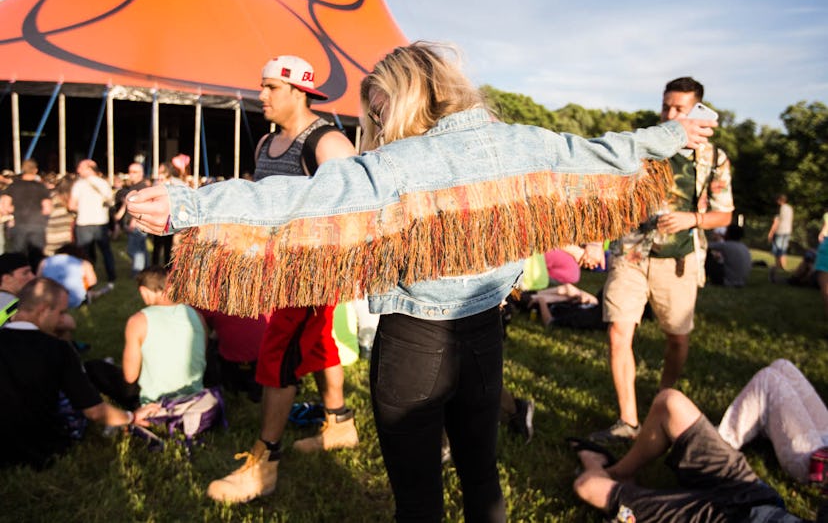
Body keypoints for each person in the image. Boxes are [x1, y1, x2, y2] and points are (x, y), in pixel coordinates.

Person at [127, 41, 716, 521]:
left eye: (379, 109)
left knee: (418, 498)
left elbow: (299, 199)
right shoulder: (524, 142)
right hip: (486, 336)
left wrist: (190, 206)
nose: (378, 123)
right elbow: (603, 155)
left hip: (414, 345)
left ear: (408, 96)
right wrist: (673, 133)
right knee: (482, 476)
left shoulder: (396, 165)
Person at [202, 55, 359, 504]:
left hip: (310, 272)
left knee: (278, 355)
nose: (261, 95)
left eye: (270, 87)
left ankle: (264, 462)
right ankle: (340, 423)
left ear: (298, 90)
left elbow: (353, 212)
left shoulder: (328, 143)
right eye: (262, 85)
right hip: (279, 269)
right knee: (321, 343)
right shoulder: (266, 144)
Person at [594, 76, 733, 442]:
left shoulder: (714, 159)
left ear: (697, 111)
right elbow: (610, 198)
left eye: (679, 109)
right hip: (631, 252)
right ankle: (628, 421)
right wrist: (596, 239)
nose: (670, 114)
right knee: (618, 331)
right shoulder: (642, 146)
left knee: (678, 340)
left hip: (678, 260)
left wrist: (693, 219)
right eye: (666, 106)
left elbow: (725, 215)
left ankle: (661, 401)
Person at [570, 388, 805, 523]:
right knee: (670, 402)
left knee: (588, 486)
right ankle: (620, 472)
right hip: (756, 495)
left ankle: (595, 461)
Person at [0, 277, 158, 469]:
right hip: (43, 449)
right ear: (42, 310)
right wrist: (130, 417)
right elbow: (94, 411)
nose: (62, 320)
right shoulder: (58, 349)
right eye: (61, 313)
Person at [84, 266, 207, 410]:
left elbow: (130, 376)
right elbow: (201, 353)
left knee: (94, 367)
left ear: (143, 291)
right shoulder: (196, 315)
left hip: (155, 402)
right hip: (194, 394)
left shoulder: (138, 321)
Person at [718, 359, 828, 485]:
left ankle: (713, 447)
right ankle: (765, 423)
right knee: (782, 366)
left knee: (767, 381)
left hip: (820, 463)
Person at [69, 159, 116, 287]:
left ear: (90, 168)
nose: (78, 170)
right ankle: (111, 276)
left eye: (80, 167)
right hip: (101, 222)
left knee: (85, 253)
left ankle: (89, 278)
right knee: (106, 251)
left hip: (84, 223)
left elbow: (71, 205)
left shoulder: (79, 184)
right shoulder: (104, 183)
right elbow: (110, 202)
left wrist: (83, 208)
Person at [0, 158, 52, 266]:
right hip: (37, 224)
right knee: (37, 256)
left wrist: (13, 211)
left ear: (23, 170)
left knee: (18, 257)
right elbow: (47, 208)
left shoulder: (13, 186)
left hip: (19, 224)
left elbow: (4, 206)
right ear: (35, 170)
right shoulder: (41, 187)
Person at [114, 163, 152, 277]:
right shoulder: (133, 187)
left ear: (141, 173)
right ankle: (146, 269)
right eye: (130, 171)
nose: (131, 174)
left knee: (134, 250)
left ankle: (138, 272)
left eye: (134, 172)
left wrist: (134, 222)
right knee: (141, 248)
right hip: (136, 223)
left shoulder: (142, 187)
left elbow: (143, 207)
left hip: (137, 223)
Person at [37, 244, 97, 308]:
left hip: (53, 300)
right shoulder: (83, 263)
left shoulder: (44, 263)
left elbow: (37, 283)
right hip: (77, 300)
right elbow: (92, 281)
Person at [768, 194, 794, 281]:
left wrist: (771, 232)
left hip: (780, 231)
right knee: (783, 249)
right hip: (788, 230)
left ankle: (778, 266)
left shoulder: (781, 208)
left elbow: (777, 221)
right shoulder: (790, 208)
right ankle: (783, 266)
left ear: (779, 200)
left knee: (777, 249)